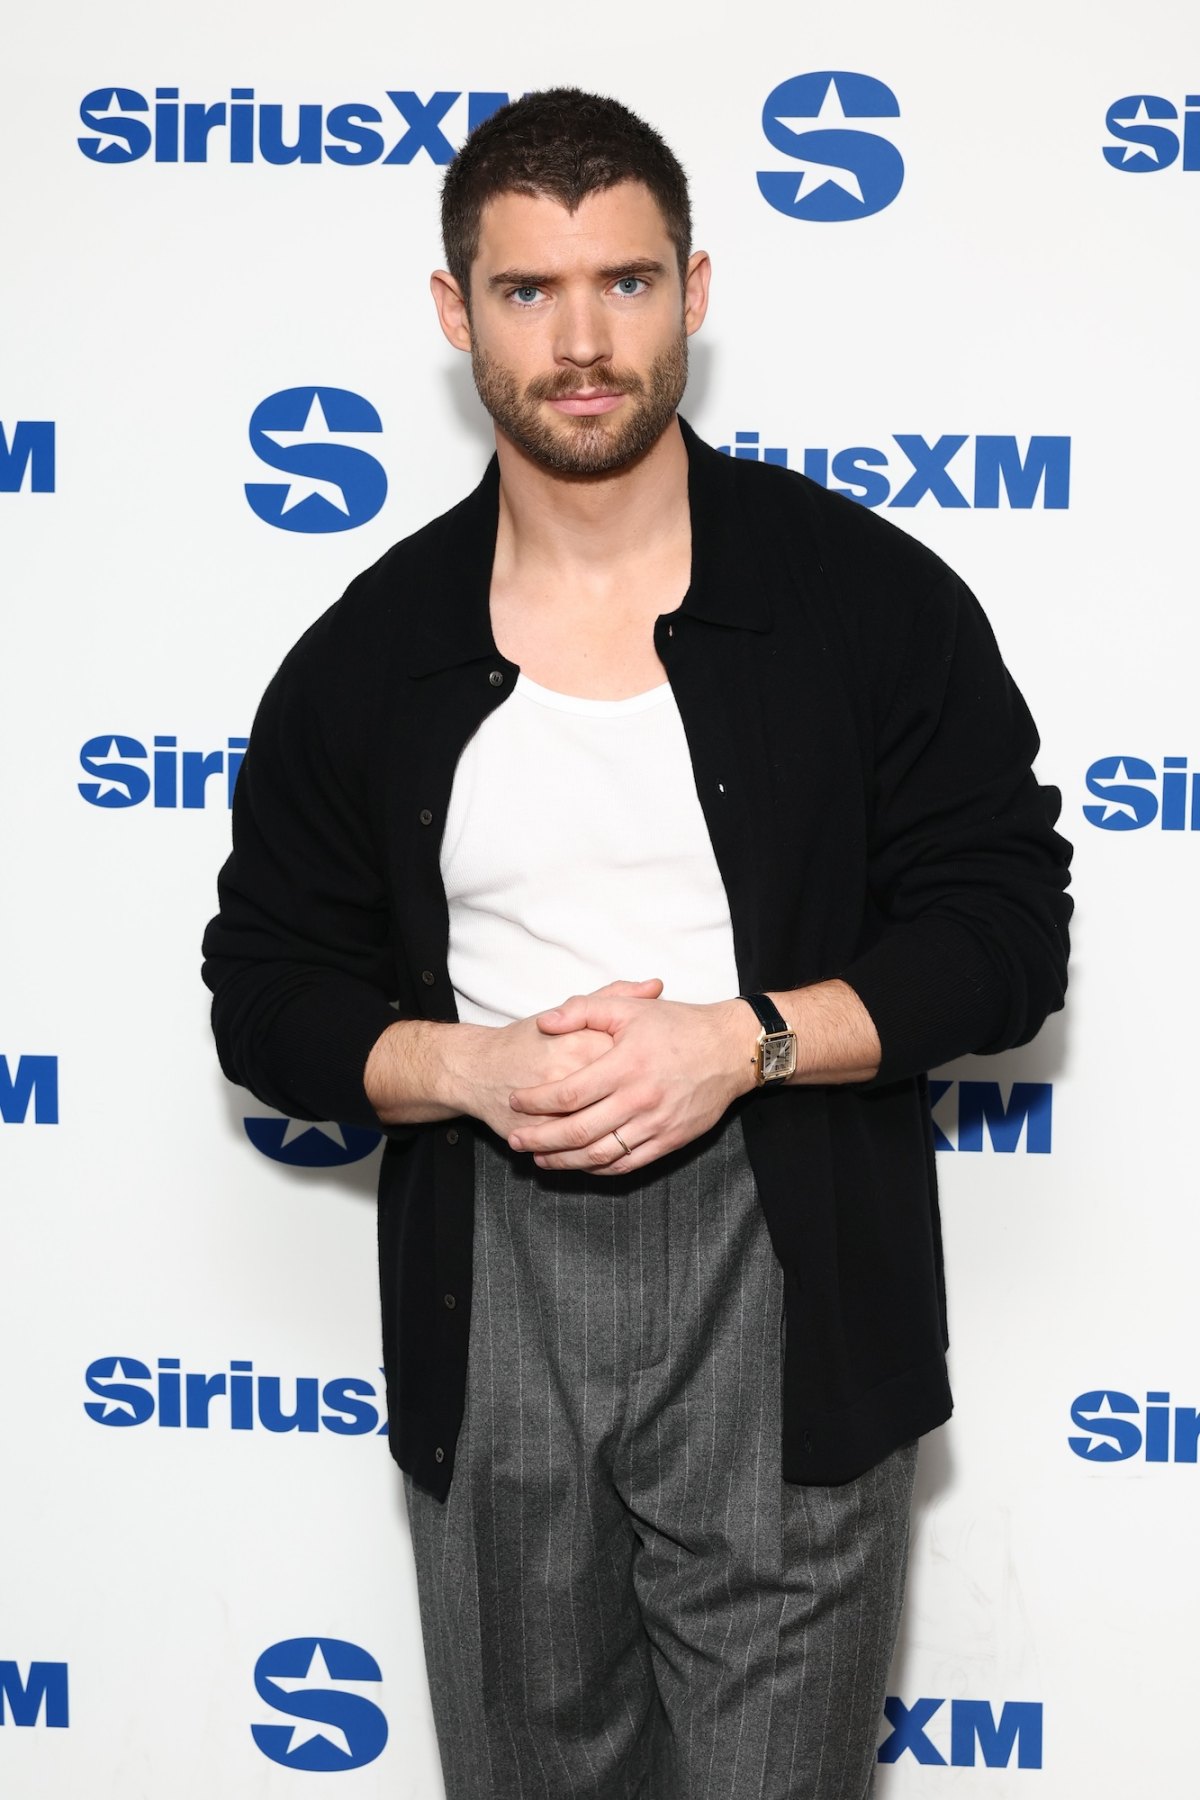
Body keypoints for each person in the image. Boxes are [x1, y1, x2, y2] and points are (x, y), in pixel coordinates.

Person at [202, 87, 1071, 1800]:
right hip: (489, 1280)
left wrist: (739, 1041)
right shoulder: (371, 649)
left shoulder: (867, 598)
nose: (583, 341)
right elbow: (266, 990)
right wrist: (470, 1067)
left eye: (626, 281)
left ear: (696, 290)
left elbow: (1005, 931)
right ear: (455, 312)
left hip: (791, 1275)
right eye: (528, 290)